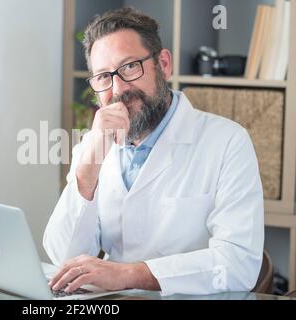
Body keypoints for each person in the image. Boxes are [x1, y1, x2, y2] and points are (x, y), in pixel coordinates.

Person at [44, 8, 264, 296]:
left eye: (130, 67)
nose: (118, 88)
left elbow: (238, 265)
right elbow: (64, 260)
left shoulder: (227, 142)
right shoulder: (94, 146)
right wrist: (87, 169)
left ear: (163, 64)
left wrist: (128, 274)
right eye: (103, 77)